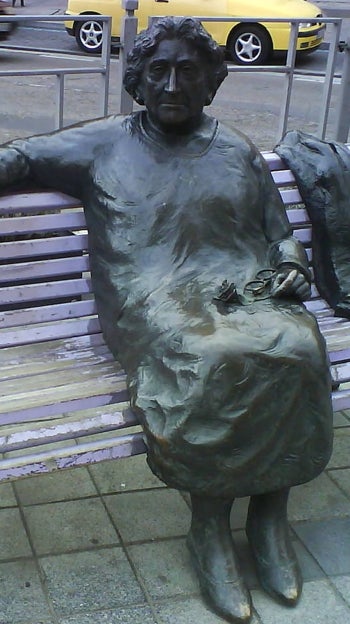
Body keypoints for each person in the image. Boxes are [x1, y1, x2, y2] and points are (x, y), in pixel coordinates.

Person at [0, 17, 333, 624]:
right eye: (159, 70)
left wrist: (292, 269)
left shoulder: (234, 149)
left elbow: (282, 238)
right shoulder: (100, 144)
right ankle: (208, 527)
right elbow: (18, 157)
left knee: (299, 345)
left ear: (211, 82)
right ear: (137, 81)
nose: (173, 83)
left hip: (240, 290)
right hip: (152, 301)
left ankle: (269, 515)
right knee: (215, 359)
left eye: (188, 71)